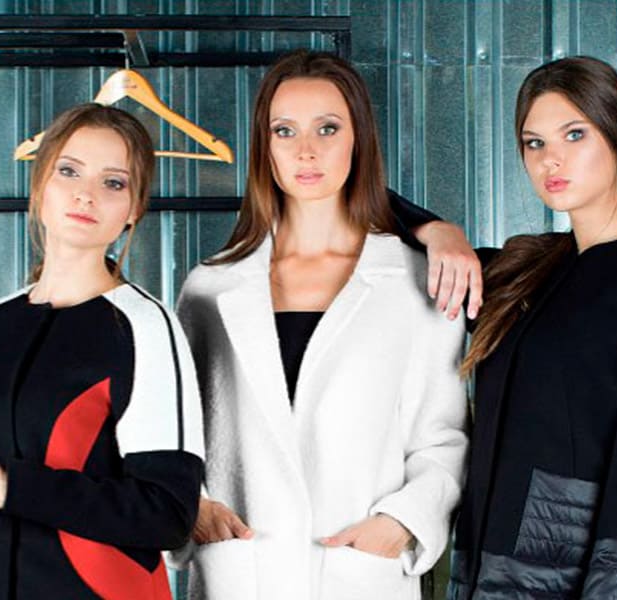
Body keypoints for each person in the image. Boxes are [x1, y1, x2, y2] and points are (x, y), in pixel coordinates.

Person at [393, 56, 617, 599]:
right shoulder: (525, 271)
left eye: (574, 134)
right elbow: (364, 207)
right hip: (482, 574)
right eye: (533, 143)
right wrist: (437, 230)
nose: (550, 159)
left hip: (570, 583)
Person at [175, 50, 469, 600]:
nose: (305, 150)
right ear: (265, 146)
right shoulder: (210, 289)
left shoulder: (414, 283)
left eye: (327, 128)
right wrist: (196, 508)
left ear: (359, 139)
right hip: (243, 575)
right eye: (284, 131)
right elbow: (177, 439)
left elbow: (443, 437)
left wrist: (402, 522)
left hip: (357, 576)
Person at [0, 103, 205, 600]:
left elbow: (167, 513)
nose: (86, 194)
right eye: (69, 171)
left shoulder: (144, 327)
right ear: (40, 185)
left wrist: (11, 488)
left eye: (113, 182)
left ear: (133, 210)